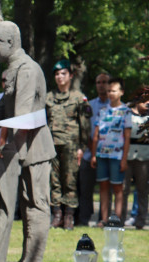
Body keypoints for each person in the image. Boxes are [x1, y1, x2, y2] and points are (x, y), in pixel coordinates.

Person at [0, 21, 56, 262]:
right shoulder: (14, 68)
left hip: (34, 148)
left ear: (10, 43)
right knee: (28, 204)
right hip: (23, 145)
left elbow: (23, 115)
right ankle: (27, 261)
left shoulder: (27, 70)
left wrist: (14, 148)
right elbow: (2, 110)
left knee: (36, 203)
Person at [45, 60, 90, 230]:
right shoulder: (49, 97)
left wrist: (82, 147)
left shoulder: (79, 98)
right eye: (57, 74)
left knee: (70, 181)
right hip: (52, 144)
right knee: (54, 181)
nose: (59, 77)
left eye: (63, 73)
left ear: (70, 75)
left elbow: (85, 124)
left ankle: (69, 216)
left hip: (71, 146)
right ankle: (57, 214)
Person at [91, 77, 132, 224]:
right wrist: (94, 155)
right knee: (103, 187)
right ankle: (103, 219)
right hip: (102, 154)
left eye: (113, 91)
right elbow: (96, 135)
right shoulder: (102, 111)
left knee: (118, 188)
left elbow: (127, 137)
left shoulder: (126, 111)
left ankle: (117, 219)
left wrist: (124, 159)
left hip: (117, 155)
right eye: (109, 91)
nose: (110, 93)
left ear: (121, 92)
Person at [77, 72, 111, 225]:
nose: (101, 85)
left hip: (108, 154)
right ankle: (84, 220)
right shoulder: (89, 105)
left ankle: (103, 220)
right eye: (98, 82)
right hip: (89, 153)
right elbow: (85, 130)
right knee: (85, 190)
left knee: (106, 189)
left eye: (104, 82)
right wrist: (93, 151)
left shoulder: (115, 106)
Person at [123, 99, 149, 230]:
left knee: (143, 190)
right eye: (145, 101)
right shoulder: (127, 114)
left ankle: (141, 220)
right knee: (124, 189)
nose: (147, 104)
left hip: (144, 157)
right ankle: (120, 219)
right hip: (128, 155)